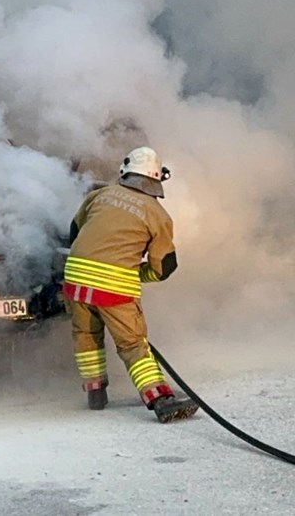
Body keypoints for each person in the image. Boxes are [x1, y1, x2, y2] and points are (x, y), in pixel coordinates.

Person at [63, 146, 199, 423]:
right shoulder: (158, 216)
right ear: (157, 178)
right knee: (133, 344)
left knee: (86, 336)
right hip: (113, 290)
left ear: (125, 171)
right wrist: (137, 274)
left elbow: (75, 232)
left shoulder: (99, 195)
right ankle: (159, 399)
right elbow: (164, 268)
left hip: (74, 280)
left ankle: (95, 394)